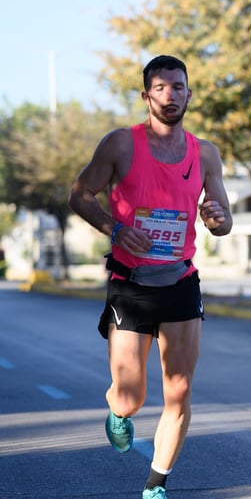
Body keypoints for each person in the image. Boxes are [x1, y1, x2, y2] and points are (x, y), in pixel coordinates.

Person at [68, 55, 232, 499]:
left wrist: (216, 218)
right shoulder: (120, 145)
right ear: (146, 96)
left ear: (189, 94)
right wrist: (116, 229)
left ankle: (156, 484)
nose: (170, 95)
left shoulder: (206, 153)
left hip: (180, 282)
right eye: (160, 88)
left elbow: (223, 220)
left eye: (178, 87)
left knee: (179, 393)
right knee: (131, 396)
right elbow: (80, 193)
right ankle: (118, 410)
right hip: (131, 284)